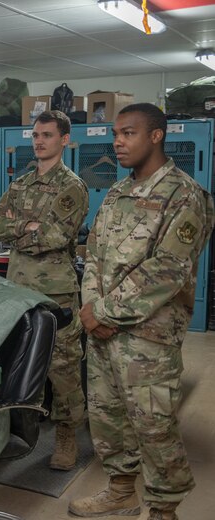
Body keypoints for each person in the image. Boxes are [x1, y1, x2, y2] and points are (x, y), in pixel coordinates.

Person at [69, 103, 214, 520]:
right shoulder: (116, 193)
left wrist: (104, 313)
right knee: (108, 417)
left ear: (156, 136)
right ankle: (120, 491)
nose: (117, 141)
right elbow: (92, 254)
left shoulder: (185, 195)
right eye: (116, 133)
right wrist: (90, 308)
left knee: (154, 426)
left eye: (128, 133)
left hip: (148, 337)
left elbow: (167, 270)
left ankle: (163, 509)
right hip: (102, 330)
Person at [0, 110, 89, 471]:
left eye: (47, 135)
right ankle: (21, 427)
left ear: (64, 140)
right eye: (35, 135)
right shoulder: (20, 184)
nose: (39, 141)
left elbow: (58, 236)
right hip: (17, 287)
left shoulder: (72, 187)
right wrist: (28, 228)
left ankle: (66, 435)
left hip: (55, 291)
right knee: (18, 359)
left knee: (61, 365)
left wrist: (23, 229)